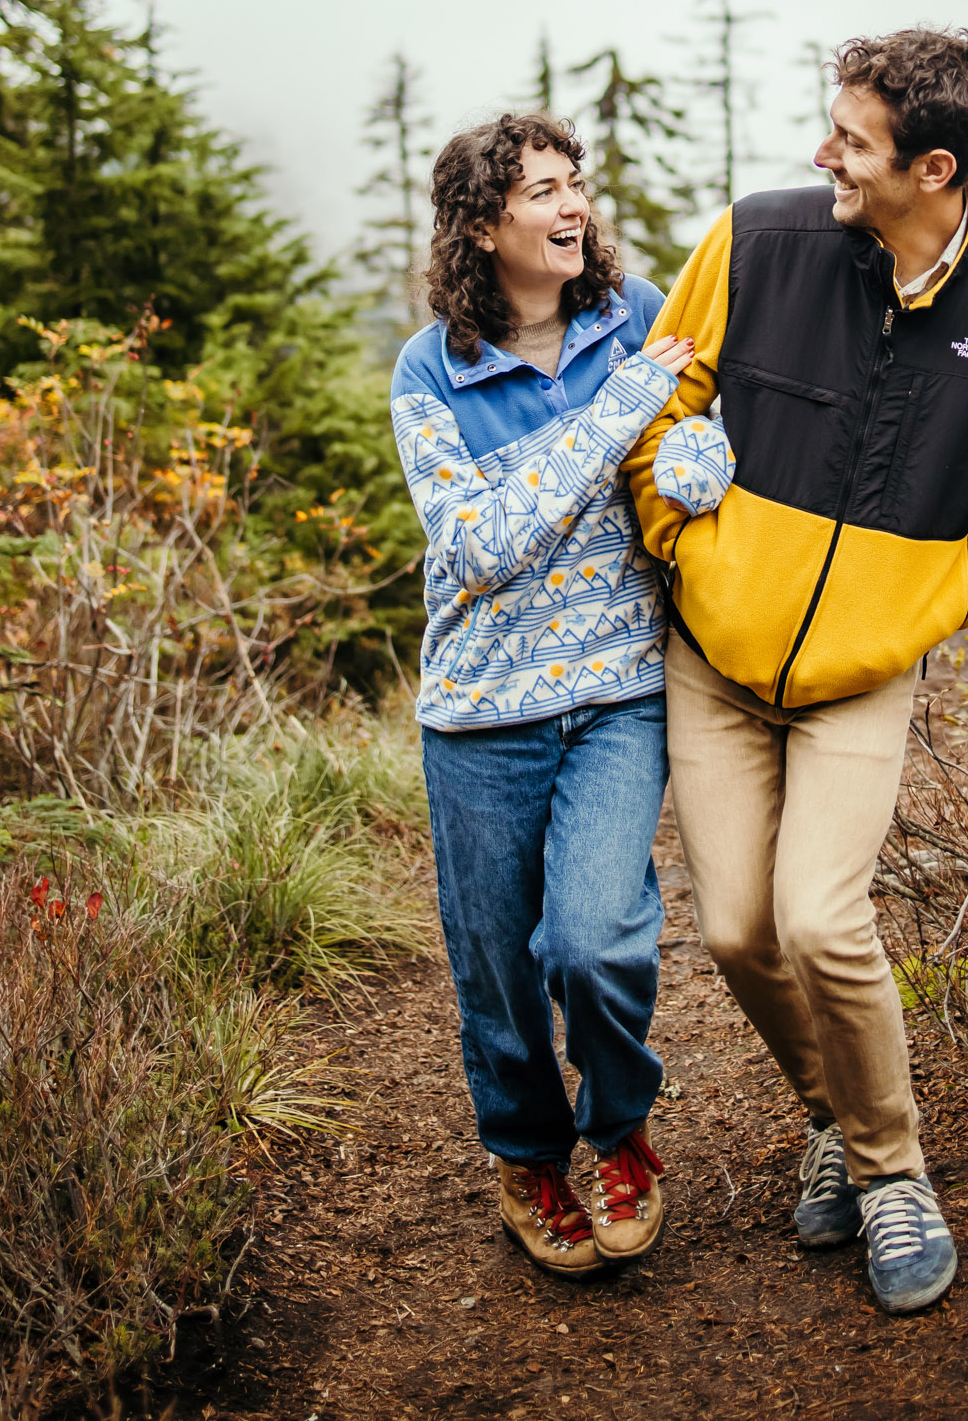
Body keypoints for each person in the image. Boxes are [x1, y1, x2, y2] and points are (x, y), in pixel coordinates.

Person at [623, 28, 968, 1316]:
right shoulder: (757, 241)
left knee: (821, 919)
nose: (820, 152)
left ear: (929, 167)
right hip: (713, 660)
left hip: (857, 678)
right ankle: (835, 1113)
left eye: (851, 139)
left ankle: (890, 1174)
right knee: (734, 928)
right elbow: (657, 395)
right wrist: (682, 542)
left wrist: (901, 616)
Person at [390, 110, 702, 1278]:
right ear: (481, 224)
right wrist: (613, 418)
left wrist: (686, 459)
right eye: (541, 191)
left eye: (576, 184)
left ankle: (619, 1127)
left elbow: (696, 442)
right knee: (498, 973)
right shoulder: (433, 370)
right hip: (478, 715)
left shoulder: (635, 319)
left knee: (592, 942)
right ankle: (527, 1155)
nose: (573, 206)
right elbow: (477, 545)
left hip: (620, 692)